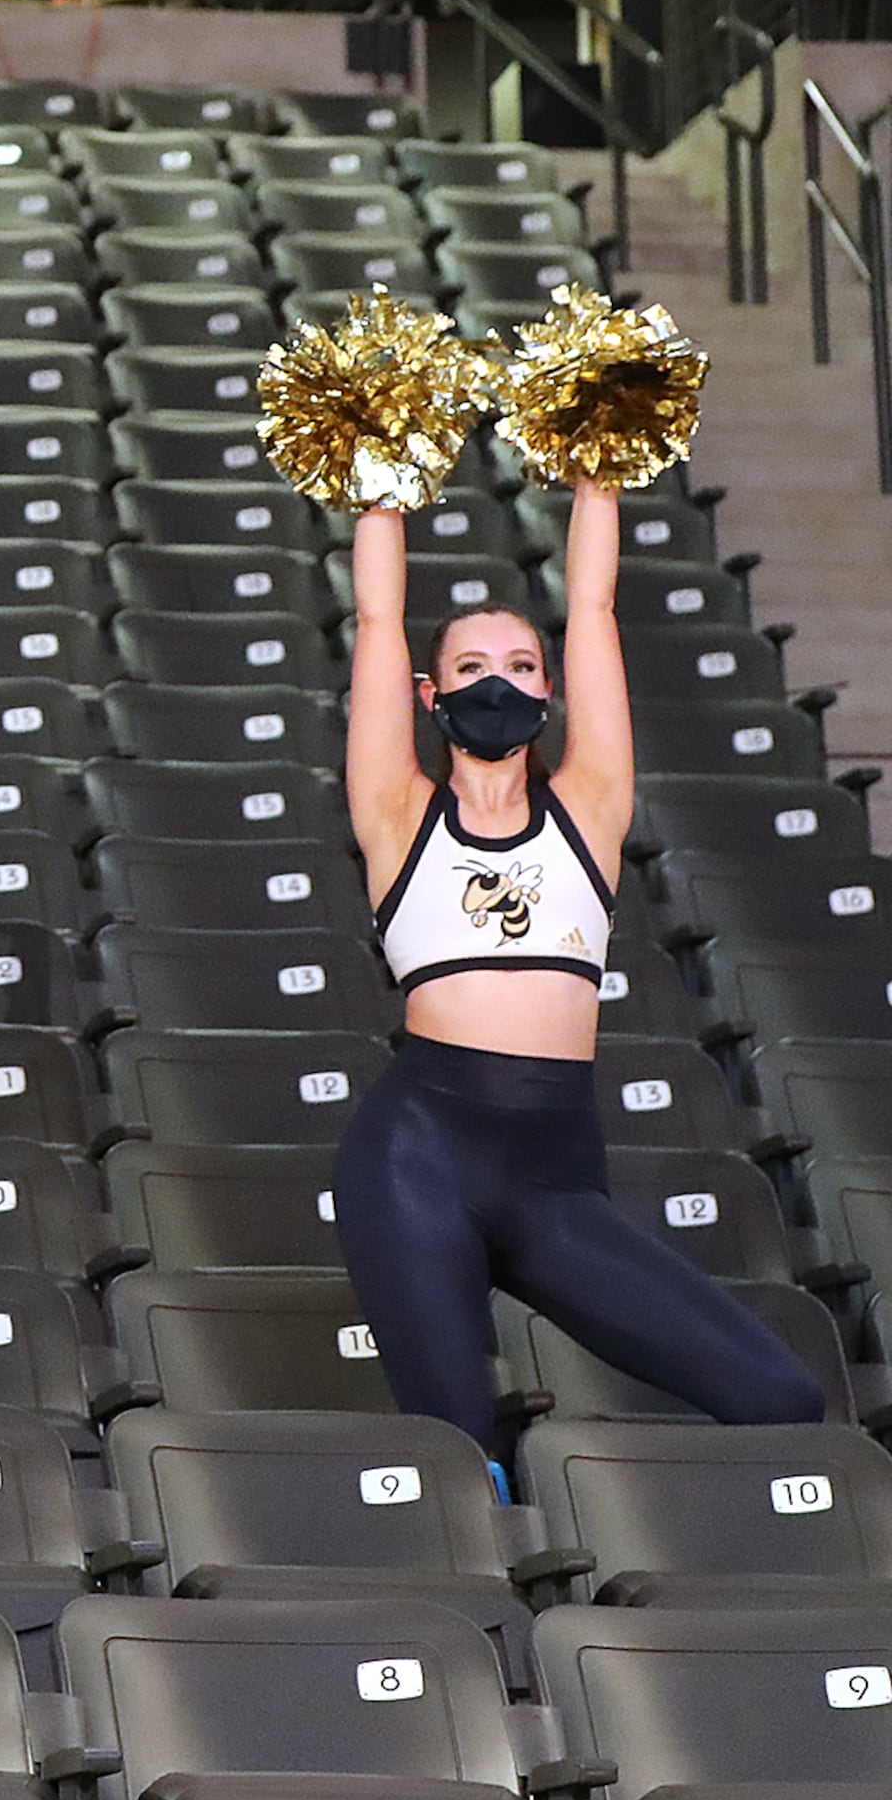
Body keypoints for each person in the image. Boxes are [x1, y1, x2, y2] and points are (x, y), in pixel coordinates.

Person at [336, 485, 824, 1456]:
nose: (498, 683)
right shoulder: (398, 812)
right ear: (429, 698)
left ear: (550, 691)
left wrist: (600, 466)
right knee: (461, 1449)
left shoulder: (588, 807)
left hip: (555, 1176)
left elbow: (594, 606)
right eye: (470, 668)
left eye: (521, 666)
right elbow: (380, 617)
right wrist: (382, 482)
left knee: (779, 1397)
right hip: (416, 1155)